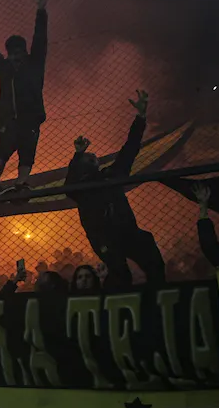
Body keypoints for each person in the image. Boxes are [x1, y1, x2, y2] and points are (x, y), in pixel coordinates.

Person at [65, 90, 167, 288]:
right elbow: (68, 188)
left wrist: (140, 117)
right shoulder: (81, 187)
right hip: (102, 237)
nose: (93, 159)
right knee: (119, 273)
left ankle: (158, 291)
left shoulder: (111, 174)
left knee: (149, 250)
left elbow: (130, 149)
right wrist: (77, 155)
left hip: (127, 231)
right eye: (88, 158)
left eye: (93, 158)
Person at [0, 0, 49, 195]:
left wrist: (41, 10)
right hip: (10, 118)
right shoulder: (5, 68)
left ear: (24, 52)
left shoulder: (34, 64)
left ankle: (21, 183)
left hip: (31, 117)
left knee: (27, 152)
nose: (15, 57)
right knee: (3, 149)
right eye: (12, 53)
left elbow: (40, 39)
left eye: (18, 53)